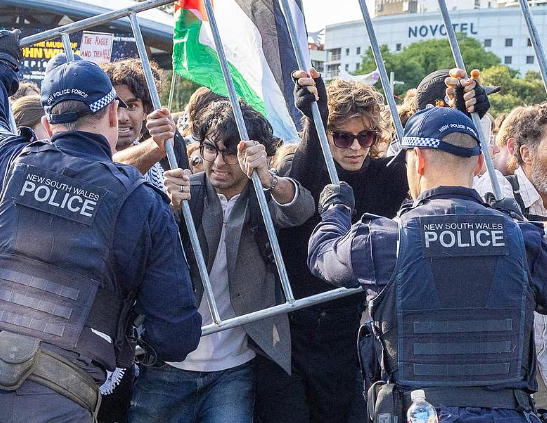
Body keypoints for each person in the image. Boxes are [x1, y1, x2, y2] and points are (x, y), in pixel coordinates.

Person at [0, 30, 201, 423]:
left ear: (48, 124)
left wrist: (4, 68)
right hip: (60, 400)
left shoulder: (11, 163)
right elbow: (176, 334)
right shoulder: (143, 203)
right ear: (111, 114)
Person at [308, 106, 547, 423]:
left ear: (418, 160)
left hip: (422, 413)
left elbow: (322, 255)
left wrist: (335, 210)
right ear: (479, 163)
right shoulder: (522, 240)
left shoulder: (387, 239)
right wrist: (515, 223)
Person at [127, 99, 314, 423]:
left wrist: (269, 178)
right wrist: (168, 208)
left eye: (231, 152)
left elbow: (301, 209)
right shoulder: (186, 191)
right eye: (211, 149)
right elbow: (141, 250)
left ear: (254, 152)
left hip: (234, 370)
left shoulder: (262, 196)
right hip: (166, 365)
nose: (218, 161)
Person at [255, 68, 408, 423]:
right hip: (290, 330)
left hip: (349, 332)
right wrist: (314, 115)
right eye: (342, 137)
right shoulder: (300, 164)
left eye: (365, 137)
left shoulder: (384, 176)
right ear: (326, 135)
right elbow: (305, 172)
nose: (355, 147)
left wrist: (462, 113)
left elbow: (429, 161)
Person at [101, 58, 188, 191]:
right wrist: (156, 147)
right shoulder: (85, 156)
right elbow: (108, 175)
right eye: (114, 107)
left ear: (145, 112)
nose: (122, 117)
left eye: (131, 106)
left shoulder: (157, 169)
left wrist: (173, 200)